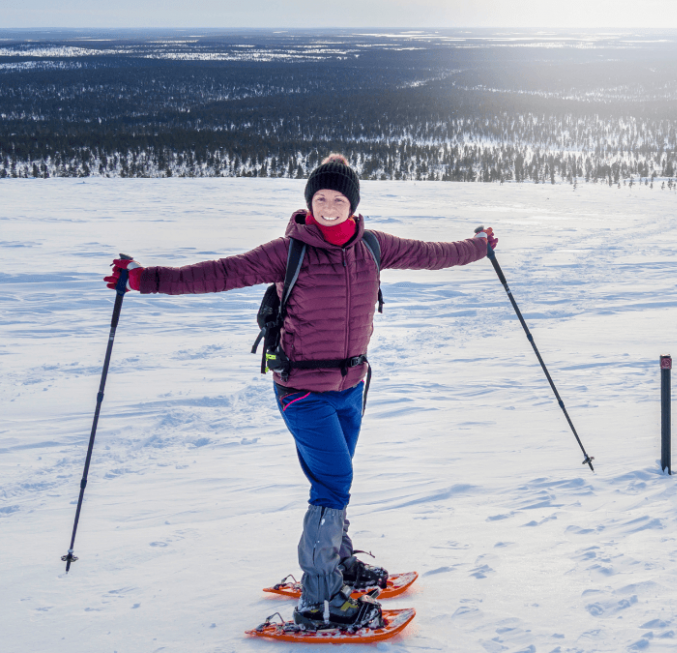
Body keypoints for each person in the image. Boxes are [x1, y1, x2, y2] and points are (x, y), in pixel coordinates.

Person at [104, 154, 498, 629]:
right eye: (320, 198)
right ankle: (321, 599)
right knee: (333, 484)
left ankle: (340, 565)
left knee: (337, 479)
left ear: (352, 205)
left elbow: (433, 253)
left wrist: (479, 247)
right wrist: (147, 279)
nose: (329, 207)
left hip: (350, 386)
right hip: (302, 389)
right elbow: (220, 273)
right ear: (309, 202)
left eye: (338, 199)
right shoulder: (287, 250)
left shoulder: (372, 246)